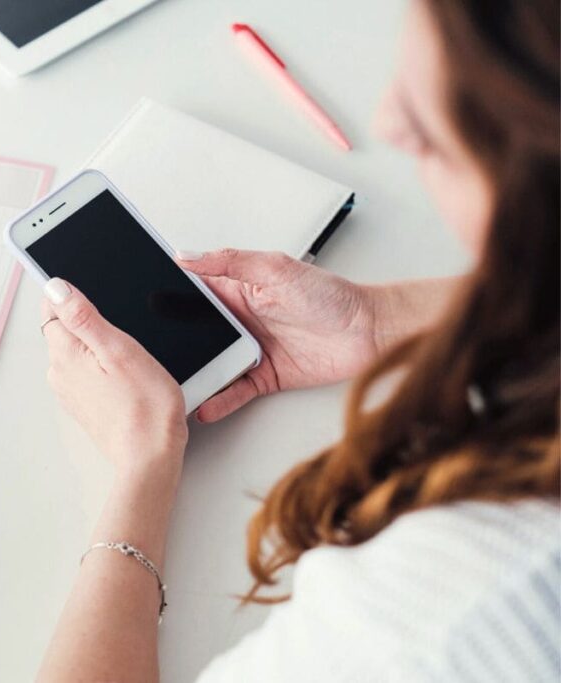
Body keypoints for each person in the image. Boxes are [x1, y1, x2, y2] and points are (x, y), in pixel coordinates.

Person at [35, 0, 559, 680]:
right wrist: (379, 320)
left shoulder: (457, 615)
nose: (388, 124)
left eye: (440, 119)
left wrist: (141, 467)